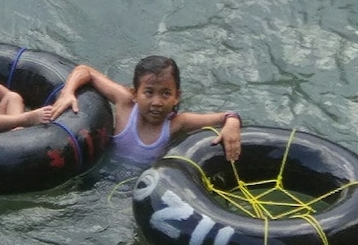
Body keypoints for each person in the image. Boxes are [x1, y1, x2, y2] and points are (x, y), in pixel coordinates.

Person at [50, 56, 242, 165]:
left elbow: (225, 116)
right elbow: (86, 70)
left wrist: (233, 121)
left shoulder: (177, 123)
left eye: (166, 94)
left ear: (177, 96)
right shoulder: (125, 104)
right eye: (149, 93)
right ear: (135, 93)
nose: (157, 102)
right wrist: (68, 92)